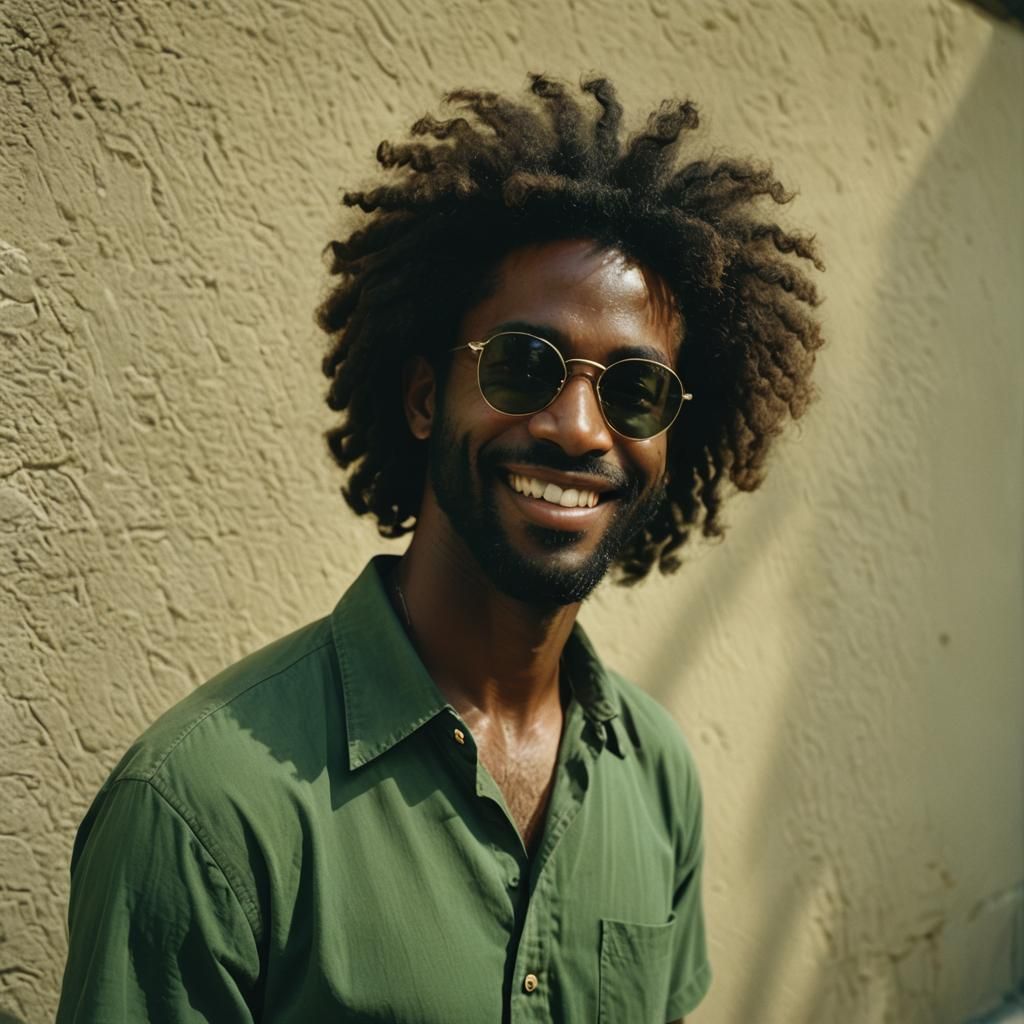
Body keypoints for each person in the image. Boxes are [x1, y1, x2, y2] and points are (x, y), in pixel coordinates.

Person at [57, 75, 824, 1023]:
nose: (580, 428)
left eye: (634, 390)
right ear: (425, 397)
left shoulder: (656, 774)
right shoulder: (201, 812)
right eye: (522, 364)